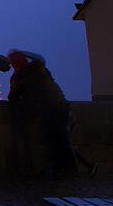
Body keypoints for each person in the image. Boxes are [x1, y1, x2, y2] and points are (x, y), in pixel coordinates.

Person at [6, 50, 79, 178]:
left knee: (56, 141)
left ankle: (65, 169)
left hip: (49, 110)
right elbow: (39, 59)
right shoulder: (39, 68)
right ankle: (65, 169)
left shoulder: (21, 77)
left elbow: (12, 97)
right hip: (59, 106)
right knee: (60, 140)